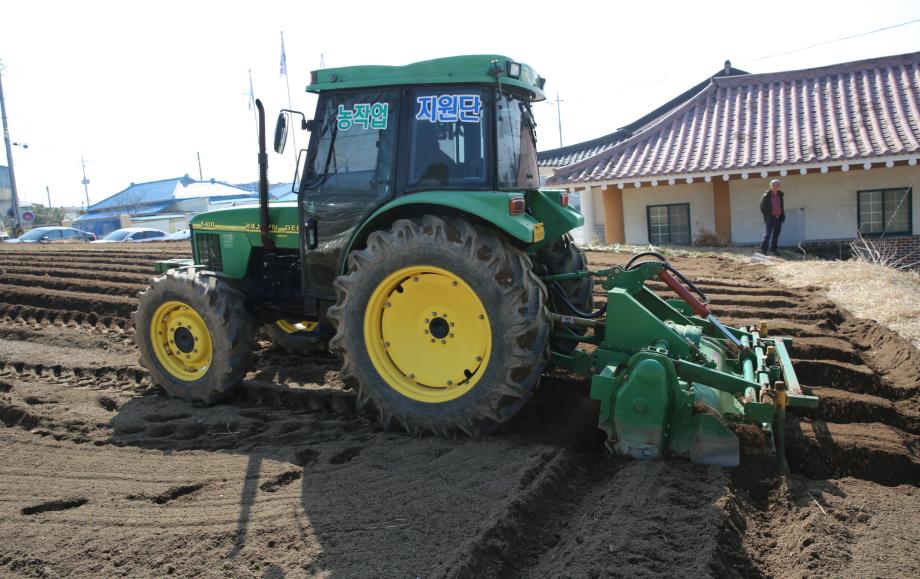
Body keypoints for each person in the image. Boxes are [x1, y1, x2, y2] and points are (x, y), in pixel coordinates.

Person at [759, 179, 785, 255]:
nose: (775, 187)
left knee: (776, 235)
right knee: (768, 235)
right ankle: (764, 251)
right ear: (770, 186)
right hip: (770, 218)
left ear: (779, 186)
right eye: (773, 185)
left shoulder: (780, 194)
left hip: (778, 218)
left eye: (777, 185)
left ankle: (774, 250)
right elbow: (762, 207)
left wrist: (782, 216)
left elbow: (781, 206)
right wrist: (767, 216)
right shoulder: (766, 196)